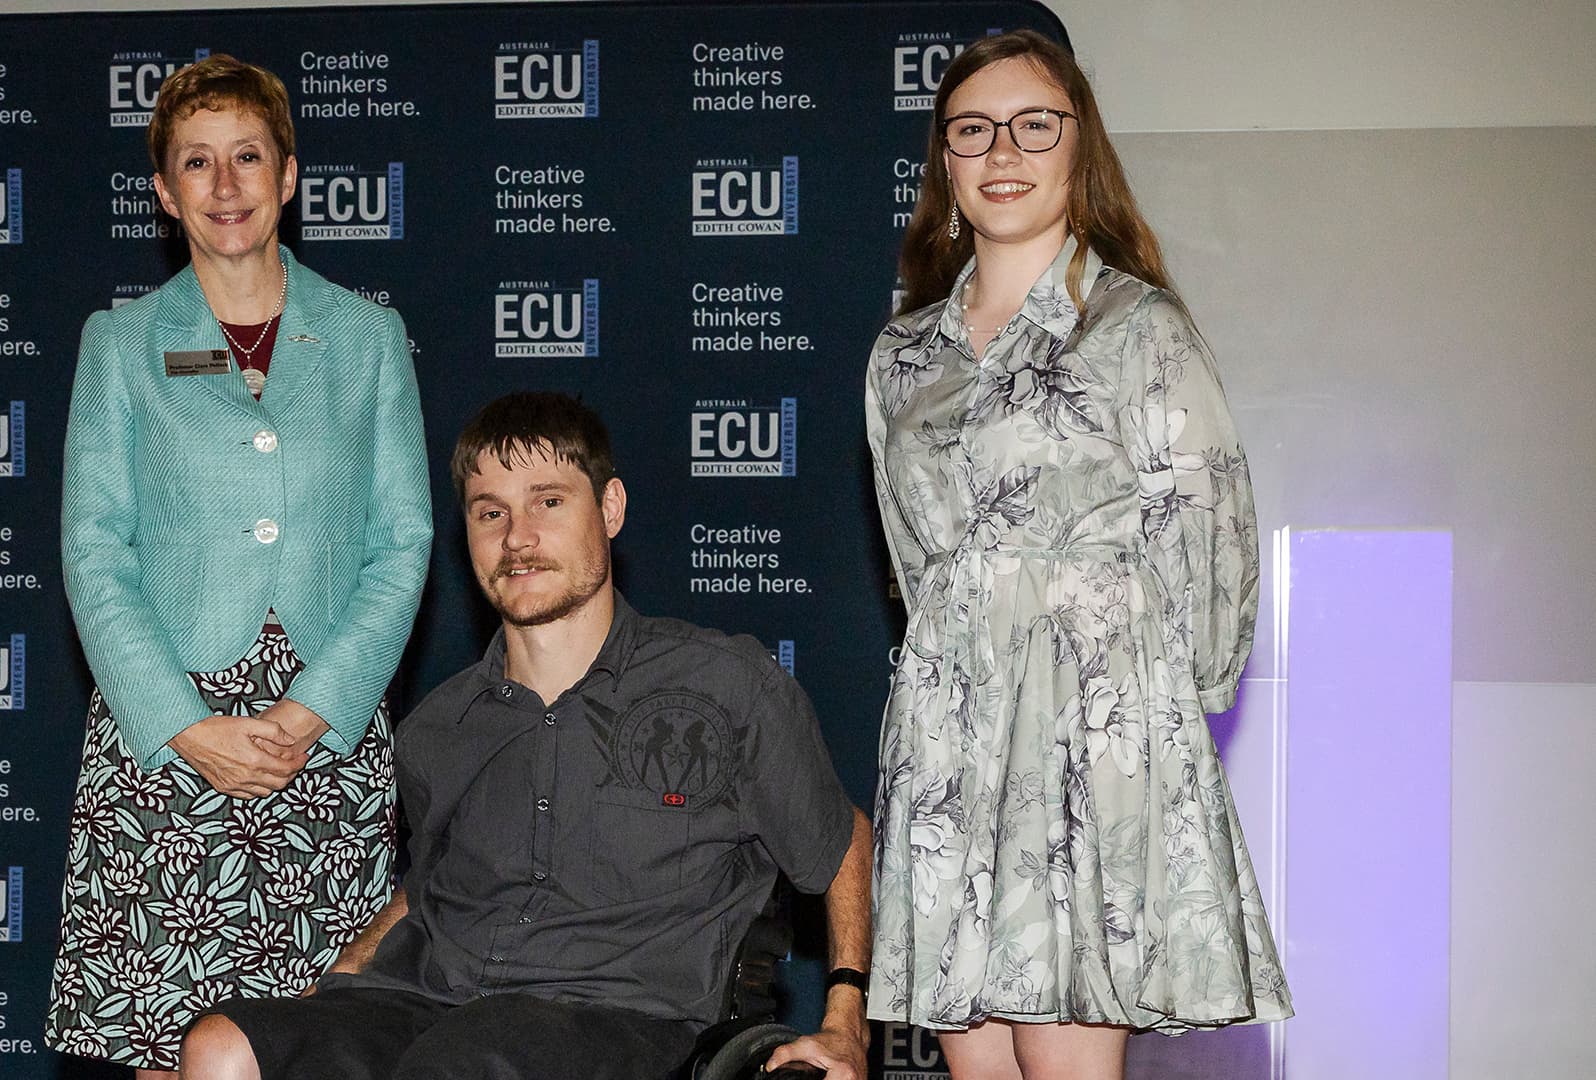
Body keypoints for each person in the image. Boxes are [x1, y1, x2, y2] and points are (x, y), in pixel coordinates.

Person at [179, 392, 873, 1080]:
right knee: (221, 1046)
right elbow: (429, 887)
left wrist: (844, 1024)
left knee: (466, 1058)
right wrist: (345, 971)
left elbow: (841, 842)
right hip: (431, 1004)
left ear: (610, 510)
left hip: (629, 1021)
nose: (517, 538)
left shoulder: (722, 683)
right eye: (491, 513)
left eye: (548, 502)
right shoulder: (438, 727)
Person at [865, 30, 1292, 1079]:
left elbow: (1213, 533)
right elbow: (917, 561)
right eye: (973, 129)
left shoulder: (1138, 327)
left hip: (1093, 734)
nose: (1003, 148)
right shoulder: (900, 354)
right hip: (952, 736)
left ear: (1077, 147)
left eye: (1033, 124)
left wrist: (1150, 730)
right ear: (947, 164)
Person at [43, 54, 432, 1078]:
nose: (226, 187)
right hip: (166, 737)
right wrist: (187, 727)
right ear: (166, 194)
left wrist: (309, 715)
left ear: (289, 175)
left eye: (247, 157)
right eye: (198, 164)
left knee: (317, 1039)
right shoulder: (121, 345)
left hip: (323, 738)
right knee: (168, 1055)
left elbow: (403, 545)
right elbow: (94, 550)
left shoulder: (367, 337)